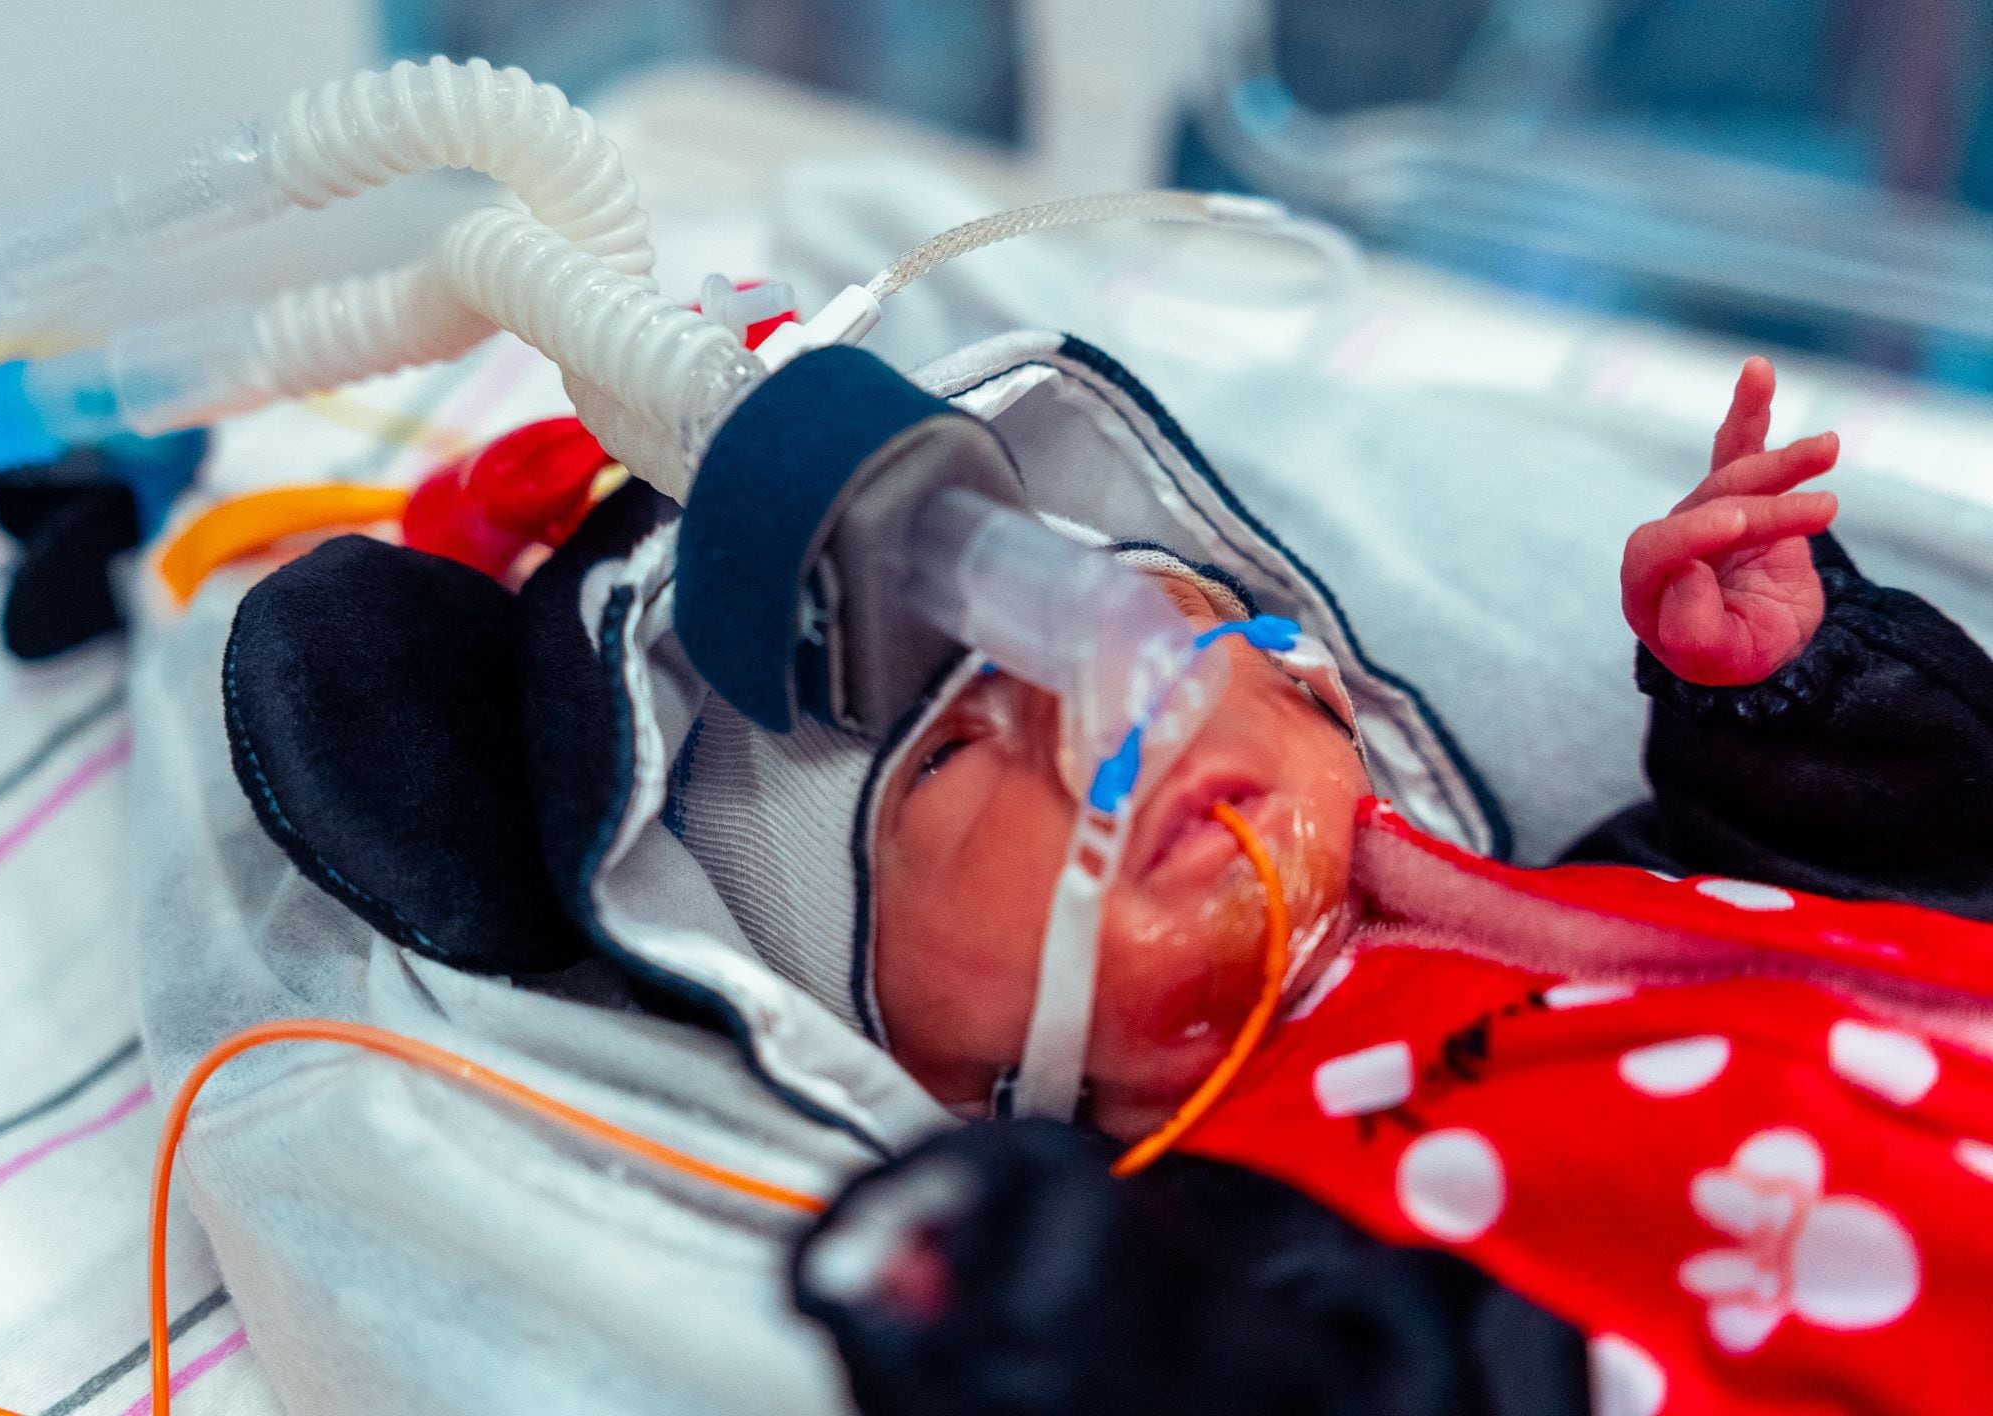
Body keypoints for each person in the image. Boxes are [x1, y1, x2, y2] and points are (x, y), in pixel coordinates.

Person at [796, 359, 1993, 1415]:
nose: (1099, 715)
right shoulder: (1250, 1237)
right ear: (912, 1043)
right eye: (945, 757)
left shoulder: (1631, 877)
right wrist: (1037, 1297)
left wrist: (1796, 704)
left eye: (1139, 633)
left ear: (1325, 708)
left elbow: (1938, 875)